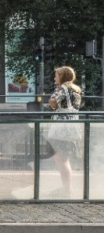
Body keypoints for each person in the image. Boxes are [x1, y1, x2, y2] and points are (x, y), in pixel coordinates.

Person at [45, 65, 83, 196]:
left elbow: (54, 101)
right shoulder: (76, 90)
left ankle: (67, 190)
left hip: (61, 129)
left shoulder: (62, 88)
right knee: (63, 159)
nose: (55, 77)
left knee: (61, 160)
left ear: (62, 76)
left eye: (56, 75)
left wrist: (51, 103)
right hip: (73, 127)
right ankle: (67, 188)